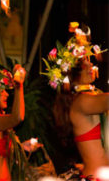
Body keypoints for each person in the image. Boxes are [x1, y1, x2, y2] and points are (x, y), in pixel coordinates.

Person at [43, 22, 109, 180]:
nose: (91, 64)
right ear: (74, 73)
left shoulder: (88, 97)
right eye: (85, 62)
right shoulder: (82, 102)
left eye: (89, 60)